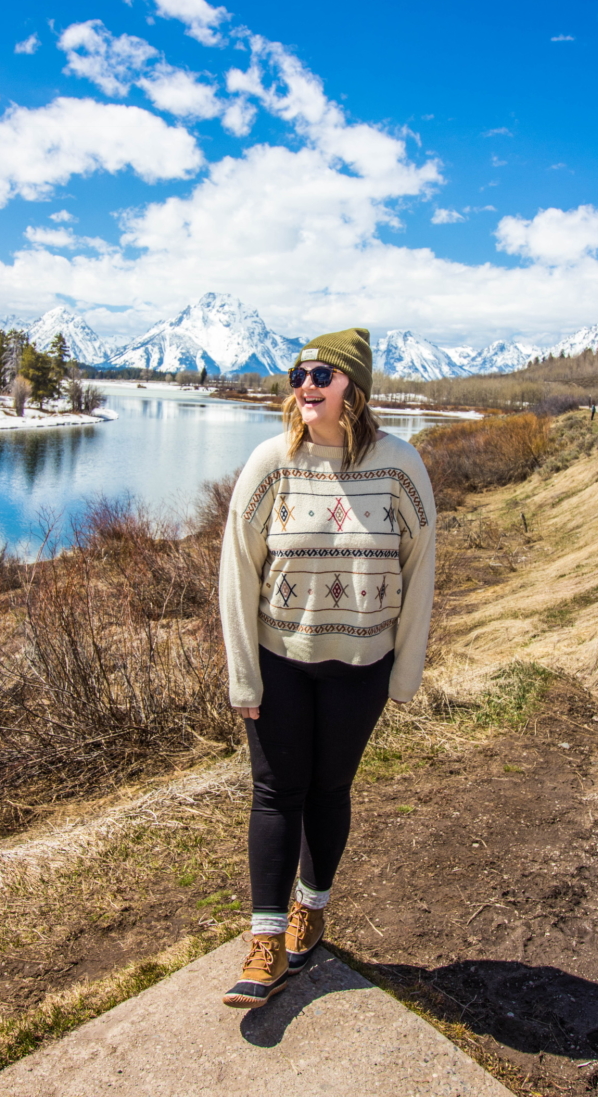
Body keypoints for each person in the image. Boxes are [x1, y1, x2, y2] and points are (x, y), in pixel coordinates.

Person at [218, 328, 436, 1009]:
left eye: (321, 374)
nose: (305, 386)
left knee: (329, 790)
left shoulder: (401, 465)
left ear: (354, 388)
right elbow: (236, 570)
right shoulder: (270, 463)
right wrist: (243, 674)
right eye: (298, 375)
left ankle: (313, 906)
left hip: (363, 666)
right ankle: (264, 941)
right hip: (282, 661)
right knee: (277, 792)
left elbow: (421, 567)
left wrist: (406, 672)